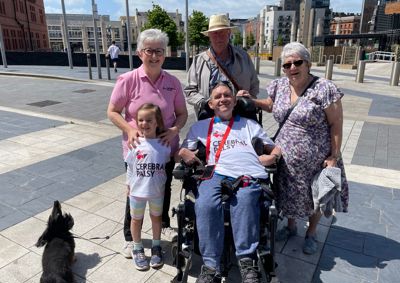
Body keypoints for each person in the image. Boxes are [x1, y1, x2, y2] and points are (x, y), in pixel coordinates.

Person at [239, 42, 349, 255]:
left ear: (308, 64)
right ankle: (290, 227)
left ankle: (311, 232)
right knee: (288, 194)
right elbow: (271, 105)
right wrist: (251, 100)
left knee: (314, 194)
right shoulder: (280, 85)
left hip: (316, 157)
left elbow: (336, 124)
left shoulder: (324, 88)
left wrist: (333, 156)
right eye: (287, 64)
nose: (292, 68)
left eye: (297, 62)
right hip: (284, 156)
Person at [178, 81, 281, 283]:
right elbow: (180, 153)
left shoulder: (251, 125)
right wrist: (182, 152)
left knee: (245, 200)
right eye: (217, 97)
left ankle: (246, 262)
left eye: (227, 95)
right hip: (215, 173)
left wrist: (272, 157)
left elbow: (274, 148)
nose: (223, 99)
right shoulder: (200, 127)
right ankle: (210, 266)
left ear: (234, 101)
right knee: (205, 203)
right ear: (210, 104)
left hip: (247, 174)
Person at [107, 29, 188, 259]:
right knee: (135, 192)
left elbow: (181, 114)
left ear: (165, 54)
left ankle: (158, 226)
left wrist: (174, 130)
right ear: (140, 52)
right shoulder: (128, 80)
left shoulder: (172, 82)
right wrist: (129, 129)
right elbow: (112, 112)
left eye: (159, 51)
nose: (154, 56)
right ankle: (129, 237)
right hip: (137, 151)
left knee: (163, 188)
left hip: (165, 150)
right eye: (149, 50)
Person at [184, 14, 259, 118]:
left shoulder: (243, 57)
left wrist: (248, 99)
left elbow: (254, 84)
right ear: (209, 36)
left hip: (240, 116)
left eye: (222, 33)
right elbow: (189, 90)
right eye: (214, 33)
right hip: (210, 118)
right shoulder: (199, 60)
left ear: (229, 34)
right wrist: (205, 103)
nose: (218, 37)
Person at [125, 103, 171, 270]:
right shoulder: (134, 143)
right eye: (141, 120)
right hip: (137, 192)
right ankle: (137, 247)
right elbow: (130, 166)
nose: (144, 123)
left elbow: (165, 164)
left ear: (157, 122)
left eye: (149, 120)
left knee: (156, 218)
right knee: (136, 220)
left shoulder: (164, 145)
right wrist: (128, 184)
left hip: (157, 192)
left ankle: (156, 245)